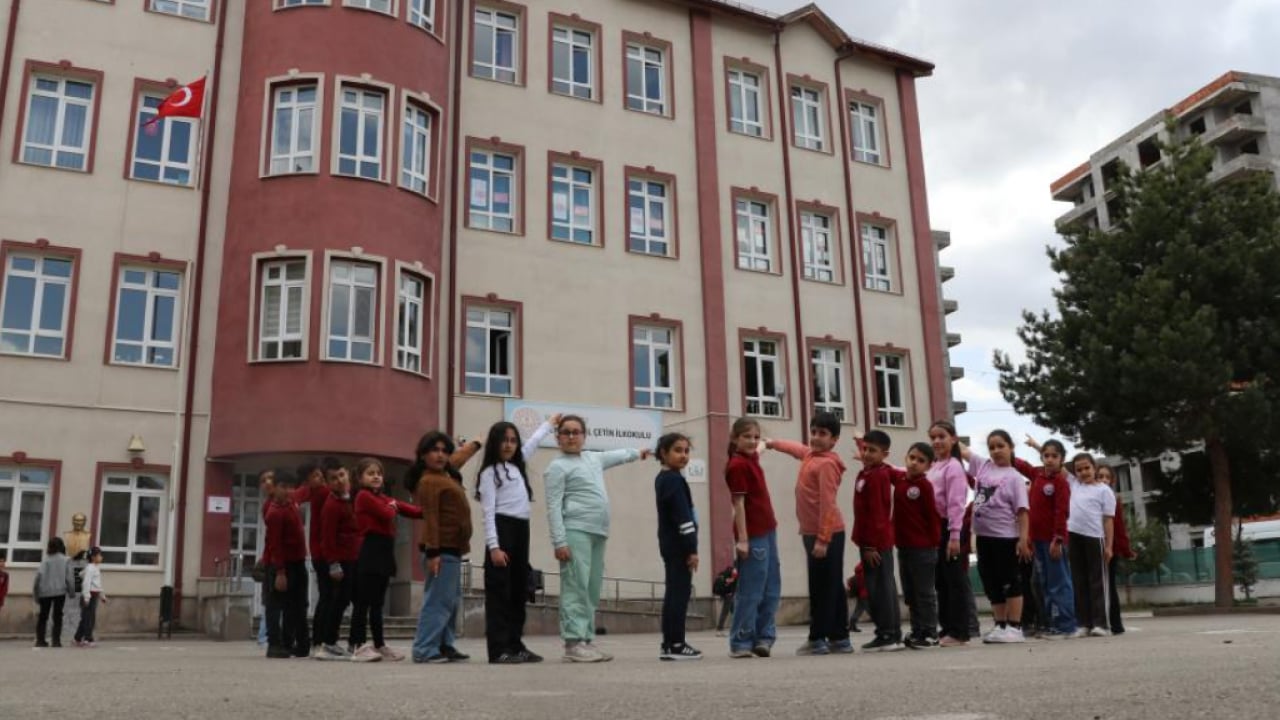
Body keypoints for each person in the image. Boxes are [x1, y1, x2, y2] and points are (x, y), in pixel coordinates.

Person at [545, 415, 650, 663]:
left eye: (576, 432)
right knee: (575, 586)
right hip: (574, 531)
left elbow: (618, 455)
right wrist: (559, 541)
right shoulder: (556, 467)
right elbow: (552, 506)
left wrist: (639, 452)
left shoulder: (593, 458)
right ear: (558, 437)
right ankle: (572, 643)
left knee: (591, 588)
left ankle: (586, 639)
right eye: (566, 432)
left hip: (597, 533)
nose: (571, 437)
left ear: (584, 435)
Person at [764, 412, 851, 656]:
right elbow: (796, 449)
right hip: (815, 533)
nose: (816, 437)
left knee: (822, 587)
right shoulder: (812, 455)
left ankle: (818, 639)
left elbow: (828, 504)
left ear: (834, 440)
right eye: (814, 432)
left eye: (822, 434)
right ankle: (839, 638)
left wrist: (823, 539)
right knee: (832, 586)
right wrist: (772, 444)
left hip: (826, 534)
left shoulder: (826, 464)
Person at [477, 415, 558, 664]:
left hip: (521, 529)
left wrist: (549, 424)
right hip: (502, 530)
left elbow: (532, 443)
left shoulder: (517, 465)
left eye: (513, 441)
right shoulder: (490, 473)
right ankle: (499, 649)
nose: (509, 445)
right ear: (495, 443)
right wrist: (494, 547)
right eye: (504, 440)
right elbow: (488, 513)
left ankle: (515, 644)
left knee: (517, 591)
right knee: (500, 594)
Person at [411, 431, 478, 664]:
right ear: (422, 456)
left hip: (452, 550)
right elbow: (430, 519)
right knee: (438, 602)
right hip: (441, 551)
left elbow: (458, 459)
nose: (440, 455)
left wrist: (476, 444)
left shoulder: (445, 474)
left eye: (444, 451)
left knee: (450, 601)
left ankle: (444, 645)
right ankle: (424, 649)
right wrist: (432, 553)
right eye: (434, 450)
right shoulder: (429, 481)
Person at [961, 431, 1032, 643]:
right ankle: (1000, 625)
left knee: (1010, 581)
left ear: (1010, 447)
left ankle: (1015, 627)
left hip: (1005, 537)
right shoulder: (983, 466)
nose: (996, 451)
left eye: (1001, 446)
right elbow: (963, 451)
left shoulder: (1014, 477)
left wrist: (1023, 539)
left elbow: (1022, 512)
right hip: (983, 536)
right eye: (992, 447)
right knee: (991, 582)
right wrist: (947, 437)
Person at [350, 457, 422, 662]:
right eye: (370, 473)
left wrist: (430, 512)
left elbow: (412, 510)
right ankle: (358, 645)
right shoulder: (363, 496)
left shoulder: (383, 497)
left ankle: (379, 645)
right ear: (360, 478)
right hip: (369, 550)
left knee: (377, 603)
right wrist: (393, 506)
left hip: (384, 551)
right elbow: (386, 513)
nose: (376, 476)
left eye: (379, 473)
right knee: (363, 602)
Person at [724, 418, 780, 659]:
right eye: (747, 436)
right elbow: (739, 503)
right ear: (735, 438)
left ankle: (763, 638)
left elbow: (758, 449)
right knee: (751, 591)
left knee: (771, 589)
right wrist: (743, 540)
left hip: (768, 531)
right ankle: (741, 641)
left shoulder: (751, 458)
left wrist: (766, 444)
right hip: (754, 535)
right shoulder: (737, 465)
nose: (752, 441)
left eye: (755, 436)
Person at [1015, 437, 1078, 639]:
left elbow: (1062, 512)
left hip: (1053, 542)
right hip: (1038, 541)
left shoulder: (1060, 482)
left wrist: (1058, 539)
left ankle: (1066, 626)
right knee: (1045, 583)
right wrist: (1008, 454)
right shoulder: (1037, 474)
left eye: (1054, 456)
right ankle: (1052, 624)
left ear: (1062, 459)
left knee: (1059, 583)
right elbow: (1021, 465)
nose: (1049, 459)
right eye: (1046, 455)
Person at [848, 430, 902, 652]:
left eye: (872, 450)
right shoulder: (868, 472)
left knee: (881, 589)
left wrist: (870, 546)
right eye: (865, 449)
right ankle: (888, 632)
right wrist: (859, 439)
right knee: (877, 587)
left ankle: (888, 634)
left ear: (885, 454)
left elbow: (877, 514)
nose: (867, 453)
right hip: (868, 541)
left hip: (876, 543)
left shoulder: (878, 476)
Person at [654, 432, 701, 661]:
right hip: (679, 546)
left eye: (686, 451)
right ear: (663, 453)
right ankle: (676, 643)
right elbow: (684, 518)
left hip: (670, 543)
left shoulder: (663, 478)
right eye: (677, 450)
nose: (683, 455)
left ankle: (668, 643)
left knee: (673, 592)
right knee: (678, 595)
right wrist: (691, 549)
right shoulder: (673, 480)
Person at [927, 420, 974, 646]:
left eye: (941, 436)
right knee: (941, 582)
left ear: (953, 439)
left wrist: (954, 536)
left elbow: (956, 503)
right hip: (935, 529)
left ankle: (959, 631)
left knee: (954, 581)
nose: (937, 441)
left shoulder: (954, 466)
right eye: (933, 437)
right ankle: (946, 627)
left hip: (949, 528)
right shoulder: (935, 465)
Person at [895, 442, 941, 649]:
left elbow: (932, 517)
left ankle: (930, 633)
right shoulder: (901, 481)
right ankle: (917, 631)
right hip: (904, 547)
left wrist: (932, 545)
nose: (914, 463)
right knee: (911, 593)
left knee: (924, 593)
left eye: (920, 461)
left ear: (929, 466)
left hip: (923, 549)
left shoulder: (924, 485)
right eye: (912, 458)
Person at [1068, 453, 1115, 637]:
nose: (1083, 472)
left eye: (1087, 468)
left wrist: (1109, 546)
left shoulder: (1104, 490)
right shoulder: (1074, 484)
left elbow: (1108, 520)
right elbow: (1057, 465)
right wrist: (1037, 446)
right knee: (1079, 581)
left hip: (1095, 537)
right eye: (1079, 469)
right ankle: (1083, 623)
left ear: (1094, 467)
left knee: (1097, 582)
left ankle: (1101, 623)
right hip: (1073, 535)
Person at [264, 469, 308, 659]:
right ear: (275, 489)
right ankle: (274, 644)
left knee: (296, 606)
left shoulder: (293, 504)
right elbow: (275, 545)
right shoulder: (274, 512)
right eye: (283, 487)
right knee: (275, 606)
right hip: (282, 565)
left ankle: (290, 643)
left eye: (291, 487)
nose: (288, 491)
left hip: (298, 562)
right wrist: (280, 572)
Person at [317, 462, 356, 660]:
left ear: (348, 475)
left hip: (352, 557)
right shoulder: (332, 505)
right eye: (334, 478)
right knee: (338, 601)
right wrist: (333, 564)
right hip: (341, 560)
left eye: (342, 475)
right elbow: (327, 538)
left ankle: (337, 641)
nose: (339, 480)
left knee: (344, 600)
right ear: (328, 483)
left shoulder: (349, 500)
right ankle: (329, 642)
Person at [298, 460, 332, 659]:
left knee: (326, 597)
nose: (320, 479)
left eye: (320, 475)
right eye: (315, 476)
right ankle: (321, 640)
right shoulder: (322, 494)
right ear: (307, 481)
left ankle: (319, 640)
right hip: (322, 553)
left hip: (319, 552)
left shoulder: (313, 493)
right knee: (328, 597)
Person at [1099, 464, 1134, 635]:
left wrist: (1125, 549)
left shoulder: (1113, 498)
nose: (1104, 480)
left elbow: (1119, 526)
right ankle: (1096, 622)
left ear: (1112, 481)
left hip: (1109, 548)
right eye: (1100, 476)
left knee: (1109, 586)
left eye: (1107, 477)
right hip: (1091, 545)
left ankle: (1115, 624)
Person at [33, 537, 74, 648]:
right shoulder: (66, 560)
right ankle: (56, 641)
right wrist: (71, 591)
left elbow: (38, 577)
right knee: (58, 616)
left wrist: (36, 594)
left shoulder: (45, 560)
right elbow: (69, 578)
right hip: (60, 592)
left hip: (44, 592)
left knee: (43, 616)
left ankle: (40, 640)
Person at [73, 547, 108, 647]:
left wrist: (102, 596)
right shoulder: (90, 568)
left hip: (94, 594)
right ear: (93, 557)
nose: (101, 557)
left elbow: (97, 584)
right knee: (89, 619)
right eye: (99, 555)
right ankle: (88, 639)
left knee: (86, 618)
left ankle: (77, 638)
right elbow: (86, 583)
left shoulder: (95, 567)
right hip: (89, 596)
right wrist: (87, 597)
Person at [712, 564, 738, 635]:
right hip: (728, 595)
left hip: (727, 595)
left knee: (734, 610)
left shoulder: (725, 573)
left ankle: (737, 627)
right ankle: (719, 629)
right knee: (725, 612)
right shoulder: (734, 572)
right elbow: (733, 582)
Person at [846, 564, 869, 632]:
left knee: (859, 610)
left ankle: (852, 625)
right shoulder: (864, 573)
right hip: (866, 594)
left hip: (861, 594)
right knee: (872, 611)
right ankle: (882, 626)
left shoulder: (858, 573)